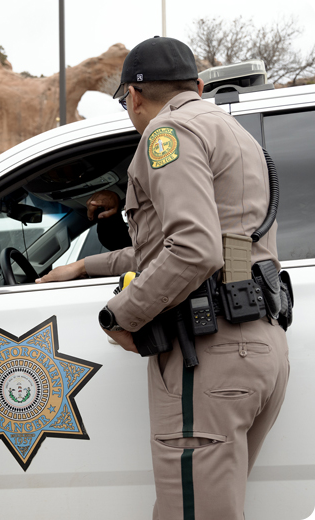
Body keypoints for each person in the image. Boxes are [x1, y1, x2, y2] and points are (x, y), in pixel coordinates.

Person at [38, 36, 289, 519]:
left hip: (209, 356)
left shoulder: (165, 133)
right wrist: (84, 265)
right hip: (258, 344)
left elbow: (193, 249)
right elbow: (182, 245)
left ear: (133, 96)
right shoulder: (234, 133)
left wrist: (119, 317)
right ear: (196, 85)